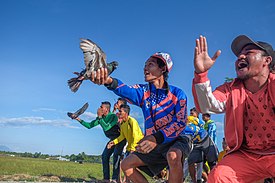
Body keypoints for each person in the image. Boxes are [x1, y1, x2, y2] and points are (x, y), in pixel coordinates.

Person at [90, 52, 193, 183]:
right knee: (126, 165)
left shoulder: (178, 94)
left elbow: (180, 122)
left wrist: (155, 138)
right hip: (154, 142)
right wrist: (108, 81)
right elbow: (126, 90)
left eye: (150, 64)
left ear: (163, 68)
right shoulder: (143, 92)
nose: (145, 68)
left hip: (178, 138)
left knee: (173, 156)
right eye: (145, 65)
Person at [192, 35, 275, 182]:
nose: (240, 56)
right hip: (246, 155)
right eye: (239, 55)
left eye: (248, 52)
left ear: (266, 61)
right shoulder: (230, 89)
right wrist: (201, 75)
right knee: (219, 177)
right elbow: (207, 106)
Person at [71, 101, 126, 183]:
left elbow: (107, 127)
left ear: (106, 109)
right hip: (112, 139)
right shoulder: (100, 118)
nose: (99, 108)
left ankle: (115, 179)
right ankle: (106, 179)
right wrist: (78, 119)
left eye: (101, 107)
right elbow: (89, 126)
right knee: (104, 156)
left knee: (116, 157)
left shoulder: (113, 116)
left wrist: (100, 117)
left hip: (119, 139)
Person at [186, 108, 219, 183]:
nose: (191, 115)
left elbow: (209, 132)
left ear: (197, 114)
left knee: (212, 162)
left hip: (205, 141)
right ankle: (195, 181)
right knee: (191, 161)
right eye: (190, 113)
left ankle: (214, 180)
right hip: (195, 143)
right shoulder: (187, 121)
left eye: (193, 113)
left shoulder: (200, 122)